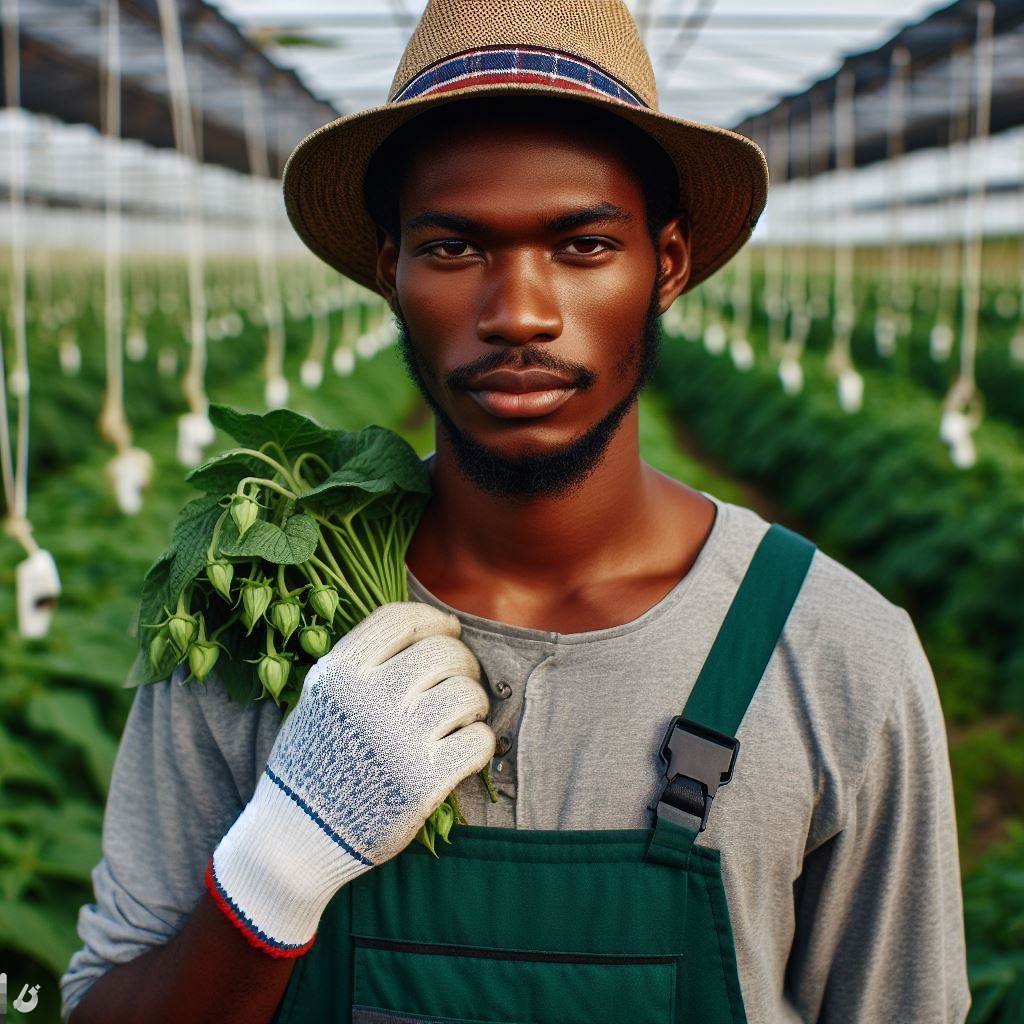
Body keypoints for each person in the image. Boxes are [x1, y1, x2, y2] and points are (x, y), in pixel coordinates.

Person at [61, 0, 971, 1022]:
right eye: (453, 248)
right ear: (387, 272)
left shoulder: (837, 658)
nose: (519, 312)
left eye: (581, 245)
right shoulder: (255, 624)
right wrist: (271, 873)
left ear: (665, 264)